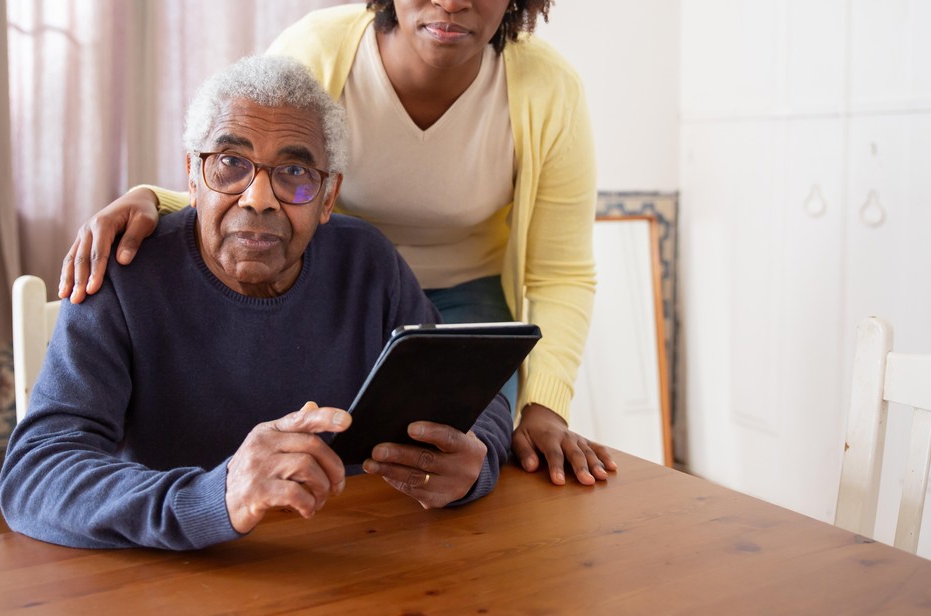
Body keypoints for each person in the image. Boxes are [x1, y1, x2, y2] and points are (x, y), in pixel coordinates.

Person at [57, 0, 616, 487]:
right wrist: (153, 198)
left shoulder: (548, 88)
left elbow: (559, 272)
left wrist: (544, 411)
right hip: (338, 280)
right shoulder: (321, 49)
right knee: (315, 451)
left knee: (465, 455)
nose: (450, 1)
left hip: (460, 290)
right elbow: (256, 158)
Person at [0, 55, 511, 550]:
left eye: (294, 172)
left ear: (328, 197)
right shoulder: (123, 273)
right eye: (230, 164)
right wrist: (215, 497)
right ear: (193, 178)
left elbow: (477, 398)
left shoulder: (368, 263)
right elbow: (36, 474)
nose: (258, 197)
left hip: (356, 559)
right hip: (177, 573)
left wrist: (475, 465)